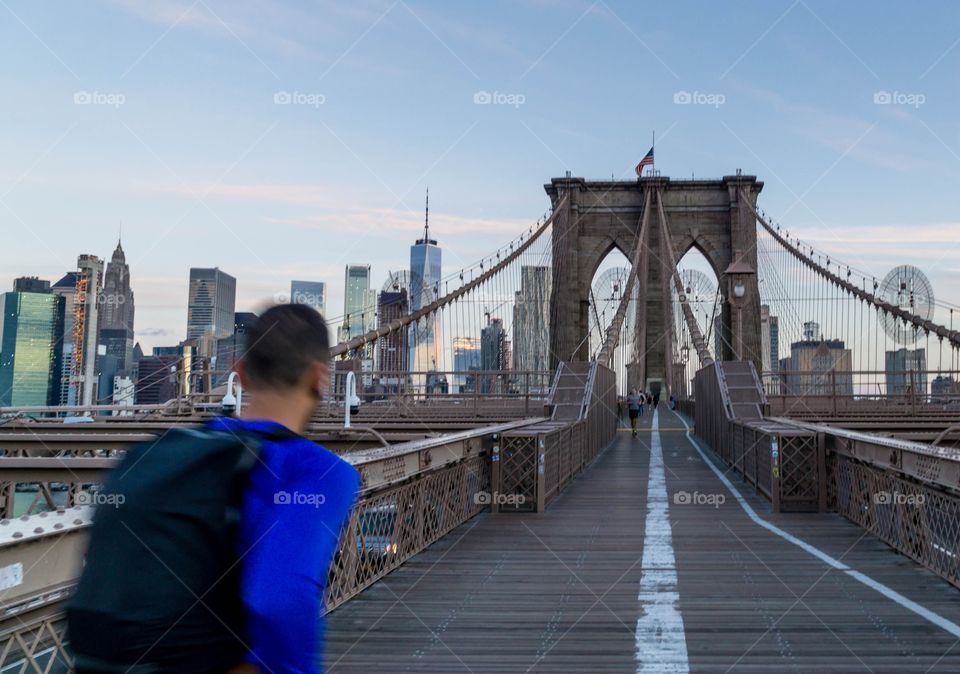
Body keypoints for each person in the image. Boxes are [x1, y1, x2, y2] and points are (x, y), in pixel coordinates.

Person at [67, 304, 360, 673]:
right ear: (320, 378)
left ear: (240, 373)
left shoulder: (160, 453)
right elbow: (279, 600)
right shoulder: (316, 470)